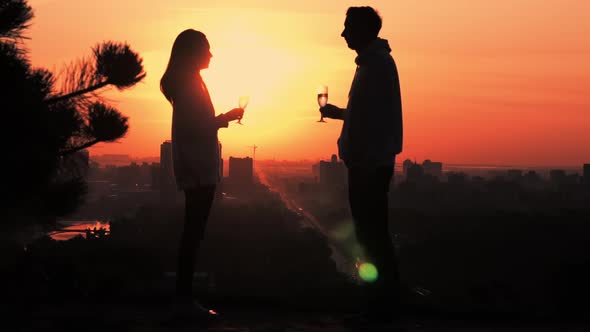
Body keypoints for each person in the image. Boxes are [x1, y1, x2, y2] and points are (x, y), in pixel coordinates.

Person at [319, 6, 403, 321]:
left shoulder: (377, 66)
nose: (343, 34)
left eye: (347, 27)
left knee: (372, 237)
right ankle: (381, 305)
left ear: (363, 30)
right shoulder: (371, 64)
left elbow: (376, 123)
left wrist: (364, 162)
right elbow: (367, 115)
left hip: (369, 167)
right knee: (372, 235)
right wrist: (343, 113)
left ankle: (379, 308)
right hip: (367, 165)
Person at [160, 29, 244, 320]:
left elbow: (196, 124)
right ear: (193, 52)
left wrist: (221, 119)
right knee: (192, 235)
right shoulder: (188, 85)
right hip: (197, 169)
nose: (211, 54)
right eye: (207, 49)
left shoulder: (192, 83)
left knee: (193, 234)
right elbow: (194, 128)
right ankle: (183, 301)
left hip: (198, 168)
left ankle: (184, 300)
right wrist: (224, 118)